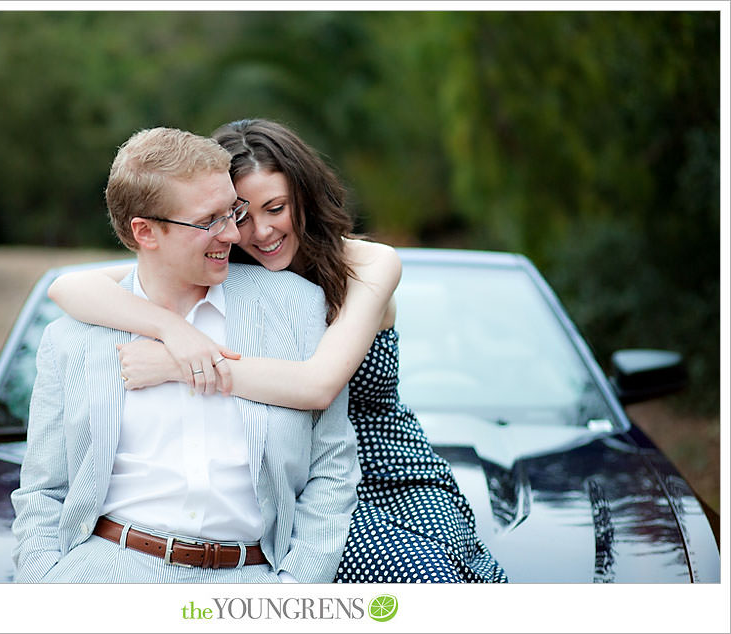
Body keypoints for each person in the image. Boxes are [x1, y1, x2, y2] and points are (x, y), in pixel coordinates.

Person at [48, 118, 507, 583]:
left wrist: (179, 365)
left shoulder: (368, 263)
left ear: (303, 198)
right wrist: (173, 329)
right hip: (290, 487)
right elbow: (70, 287)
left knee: (438, 580)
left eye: (277, 208)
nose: (262, 231)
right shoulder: (230, 275)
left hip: (386, 473)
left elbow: (318, 384)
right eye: (241, 215)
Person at [10, 127, 361, 583]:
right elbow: (42, 490)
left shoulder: (296, 306)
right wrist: (44, 587)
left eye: (231, 211)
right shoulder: (72, 337)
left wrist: (295, 587)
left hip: (252, 584)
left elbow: (332, 466)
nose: (235, 234)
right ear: (145, 231)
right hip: (104, 575)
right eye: (210, 220)